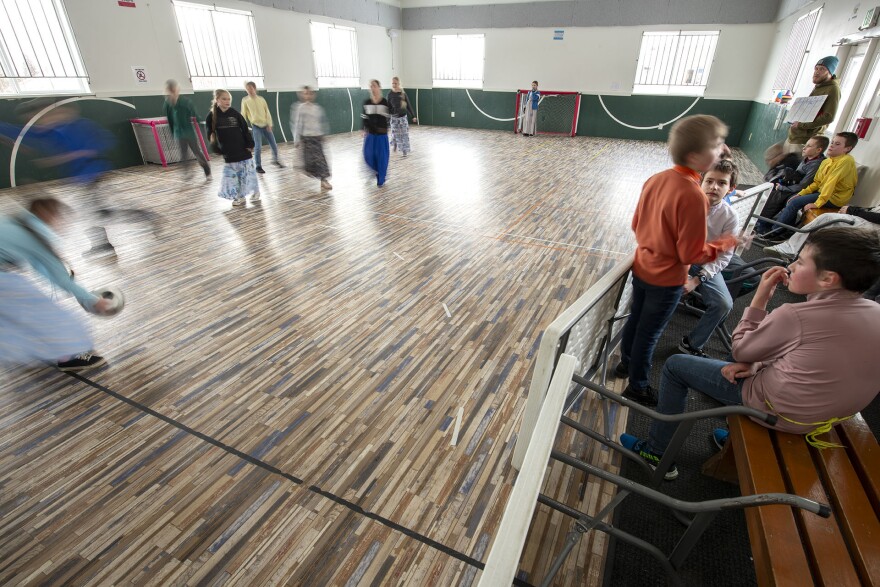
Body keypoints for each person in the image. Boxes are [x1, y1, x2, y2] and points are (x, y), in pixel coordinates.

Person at [621, 227, 880, 480]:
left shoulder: (794, 316)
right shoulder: (874, 312)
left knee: (676, 365)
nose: (791, 267)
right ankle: (730, 437)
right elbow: (816, 357)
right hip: (826, 419)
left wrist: (760, 300)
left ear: (828, 279)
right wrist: (759, 363)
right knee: (751, 362)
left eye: (800, 262)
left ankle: (656, 453)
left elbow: (741, 349)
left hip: (779, 412)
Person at [613, 115, 739, 407]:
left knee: (635, 321)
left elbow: (636, 224)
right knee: (649, 334)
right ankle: (638, 386)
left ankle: (625, 364)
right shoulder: (693, 195)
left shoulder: (656, 178)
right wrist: (727, 241)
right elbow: (690, 255)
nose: (721, 149)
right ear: (696, 156)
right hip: (667, 279)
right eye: (716, 145)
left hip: (642, 266)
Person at [0, 199, 112, 371]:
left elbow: (43, 268)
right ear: (48, 215)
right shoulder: (34, 235)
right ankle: (70, 356)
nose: (63, 224)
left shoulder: (18, 222)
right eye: (60, 218)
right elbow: (60, 278)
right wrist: (93, 300)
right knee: (52, 316)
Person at [679, 159, 740, 358]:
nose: (714, 187)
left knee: (724, 304)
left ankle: (692, 343)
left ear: (731, 188)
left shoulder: (730, 216)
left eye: (722, 183)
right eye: (710, 181)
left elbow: (724, 256)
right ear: (700, 182)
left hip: (705, 265)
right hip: (678, 259)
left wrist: (697, 280)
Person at [762, 132, 858, 237]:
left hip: (835, 197)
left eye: (837, 144)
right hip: (824, 193)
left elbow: (830, 183)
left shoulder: (846, 161)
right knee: (794, 198)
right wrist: (802, 193)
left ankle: (774, 232)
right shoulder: (827, 161)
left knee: (794, 202)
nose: (832, 145)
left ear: (847, 149)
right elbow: (817, 182)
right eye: (832, 142)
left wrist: (817, 203)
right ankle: (783, 229)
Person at [764, 56, 841, 169]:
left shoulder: (833, 89)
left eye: (822, 69)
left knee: (789, 172)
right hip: (795, 137)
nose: (817, 72)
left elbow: (828, 117)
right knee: (778, 168)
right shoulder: (819, 87)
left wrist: (801, 125)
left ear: (830, 72)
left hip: (805, 141)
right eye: (816, 68)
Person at [754, 135, 828, 234]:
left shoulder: (817, 165)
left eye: (809, 146)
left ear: (818, 150)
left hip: (805, 191)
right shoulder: (806, 159)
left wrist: (783, 187)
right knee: (774, 192)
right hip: (796, 187)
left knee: (781, 195)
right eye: (805, 145)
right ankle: (762, 222)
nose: (804, 148)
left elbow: (803, 185)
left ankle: (773, 230)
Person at [763, 203, 880, 262]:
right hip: (870, 223)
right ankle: (798, 252)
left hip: (875, 230)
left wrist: (852, 210)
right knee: (825, 225)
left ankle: (791, 249)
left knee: (828, 219)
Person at [206, 89, 259, 207]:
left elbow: (245, 129)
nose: (227, 101)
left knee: (247, 173)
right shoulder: (212, 116)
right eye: (224, 99)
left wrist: (250, 144)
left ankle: (255, 191)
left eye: (228, 99)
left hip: (242, 149)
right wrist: (216, 148)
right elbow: (210, 133)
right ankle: (239, 196)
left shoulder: (235, 113)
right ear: (217, 100)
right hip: (229, 151)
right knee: (233, 176)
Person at [164, 79, 211, 180]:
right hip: (179, 133)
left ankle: (207, 172)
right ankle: (187, 172)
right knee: (183, 154)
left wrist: (201, 123)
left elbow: (194, 114)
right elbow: (170, 120)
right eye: (170, 90)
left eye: (174, 89)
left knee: (197, 152)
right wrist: (173, 133)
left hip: (188, 132)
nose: (172, 92)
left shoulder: (185, 102)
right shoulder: (168, 103)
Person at [291, 86, 332, 190]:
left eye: (310, 93)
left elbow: (322, 122)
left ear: (313, 95)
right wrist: (296, 139)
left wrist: (323, 134)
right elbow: (297, 124)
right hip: (306, 139)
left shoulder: (317, 108)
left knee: (321, 161)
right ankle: (309, 172)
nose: (308, 95)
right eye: (305, 93)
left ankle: (324, 180)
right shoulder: (300, 108)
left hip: (317, 138)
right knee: (309, 163)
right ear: (302, 95)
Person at [241, 81, 284, 174]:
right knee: (258, 147)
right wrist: (243, 127)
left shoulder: (261, 99)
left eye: (251, 89)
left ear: (255, 89)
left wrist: (269, 124)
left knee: (274, 145)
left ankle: (275, 160)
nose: (249, 91)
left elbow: (267, 112)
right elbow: (243, 114)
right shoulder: (245, 101)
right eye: (247, 89)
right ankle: (258, 166)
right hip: (256, 126)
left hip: (266, 126)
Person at [362, 79, 391, 187]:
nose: (372, 88)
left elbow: (388, 118)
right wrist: (363, 129)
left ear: (379, 87)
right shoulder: (367, 103)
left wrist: (387, 128)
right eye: (371, 86)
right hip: (370, 135)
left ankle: (381, 178)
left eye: (374, 86)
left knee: (382, 158)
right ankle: (377, 171)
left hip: (381, 135)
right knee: (368, 155)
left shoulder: (384, 102)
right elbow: (364, 118)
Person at [387, 77, 418, 157]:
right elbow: (388, 107)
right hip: (394, 118)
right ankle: (395, 144)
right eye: (392, 83)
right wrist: (388, 118)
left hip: (403, 118)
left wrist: (413, 116)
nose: (394, 85)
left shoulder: (403, 94)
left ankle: (404, 151)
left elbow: (408, 105)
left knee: (404, 134)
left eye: (395, 83)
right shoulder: (390, 94)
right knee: (395, 134)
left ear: (399, 83)